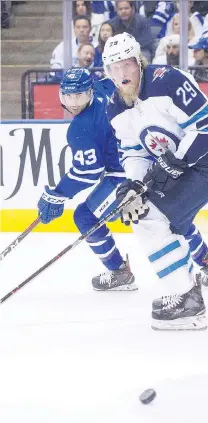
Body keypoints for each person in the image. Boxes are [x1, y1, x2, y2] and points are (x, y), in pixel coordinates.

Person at [102, 33, 208, 330]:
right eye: (114, 68)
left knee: (153, 216)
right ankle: (188, 290)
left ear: (139, 61)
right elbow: (134, 151)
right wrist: (132, 186)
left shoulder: (168, 80)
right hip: (182, 164)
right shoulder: (115, 106)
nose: (122, 74)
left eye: (127, 64)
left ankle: (187, 298)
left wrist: (172, 163)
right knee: (144, 214)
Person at [36, 68, 135, 292]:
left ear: (90, 92)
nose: (73, 103)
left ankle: (119, 272)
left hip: (126, 174)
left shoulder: (80, 128)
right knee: (163, 218)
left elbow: (88, 173)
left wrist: (58, 194)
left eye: (79, 96)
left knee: (84, 216)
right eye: (68, 96)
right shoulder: (103, 86)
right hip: (143, 158)